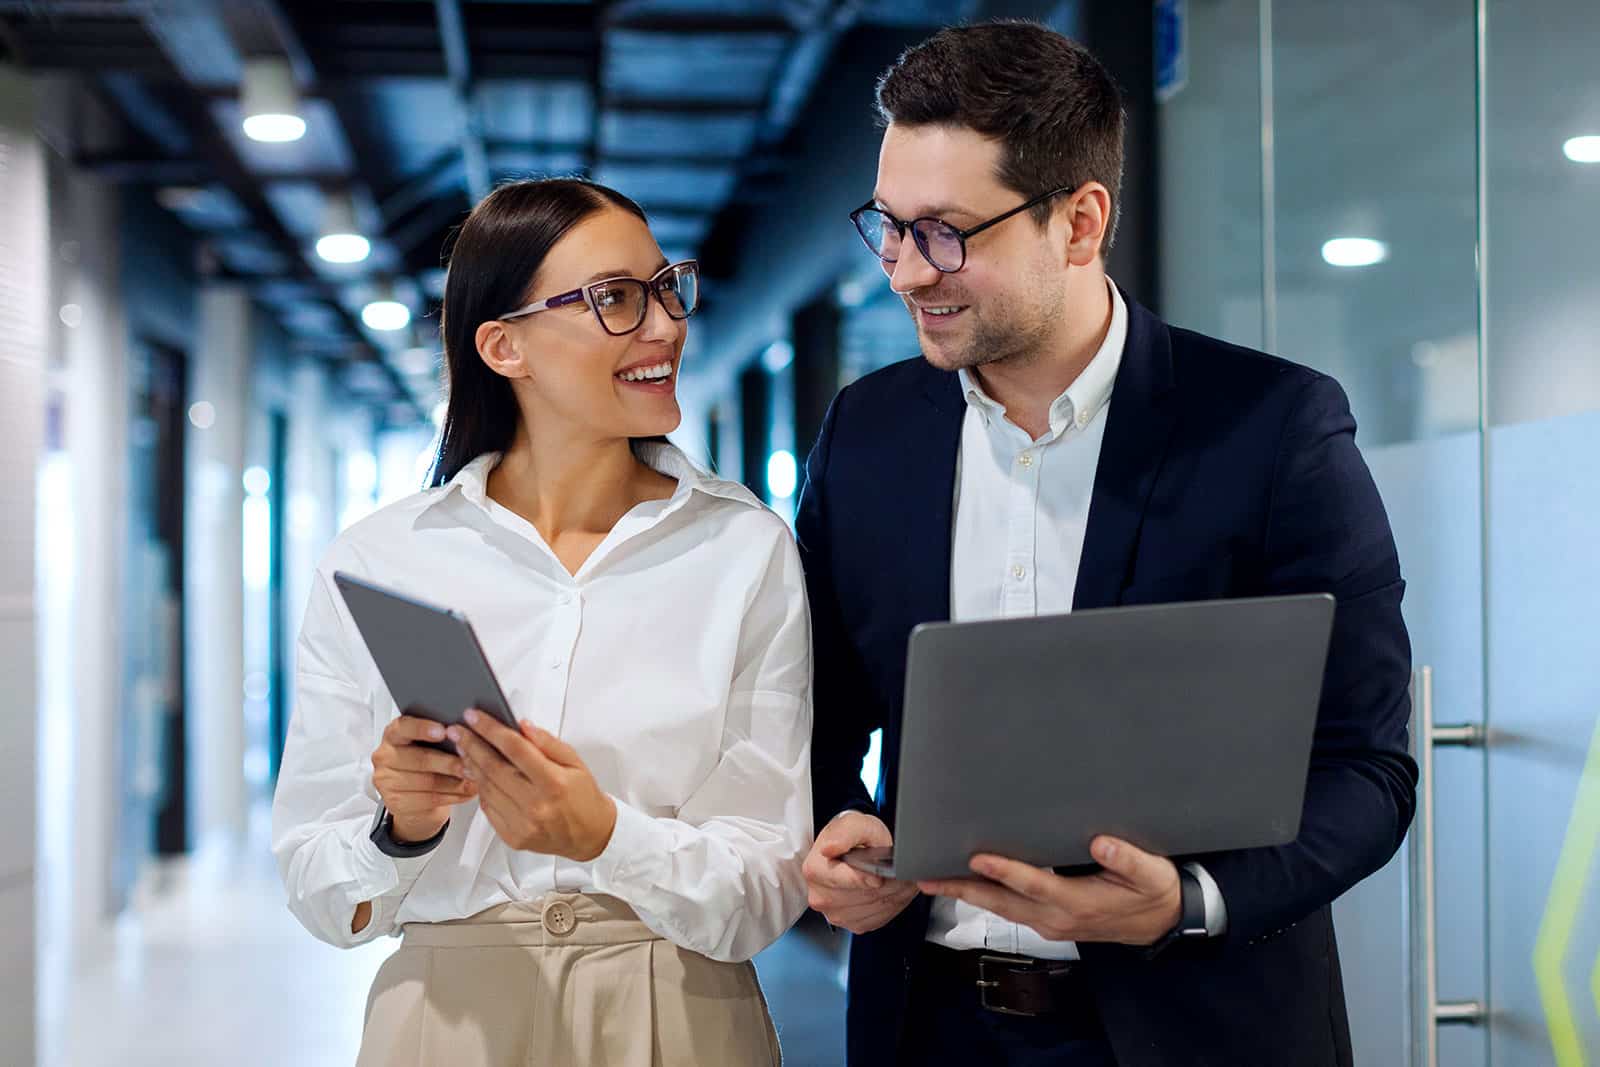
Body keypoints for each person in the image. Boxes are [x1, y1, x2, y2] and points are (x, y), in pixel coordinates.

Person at [797, 22, 1416, 1067]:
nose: (904, 271)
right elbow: (812, 715)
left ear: (1078, 221)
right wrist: (835, 838)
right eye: (889, 227)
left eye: (945, 232)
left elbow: (1366, 764)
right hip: (928, 1026)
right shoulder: (869, 432)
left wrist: (1190, 897)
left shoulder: (1272, 426)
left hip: (1202, 1024)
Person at [271, 177, 811, 1066]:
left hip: (677, 1007)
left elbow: (767, 883)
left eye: (666, 287)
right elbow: (318, 887)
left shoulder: (744, 551)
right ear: (503, 346)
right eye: (615, 299)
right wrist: (399, 824)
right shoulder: (379, 558)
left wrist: (608, 836)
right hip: (444, 1019)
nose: (665, 325)